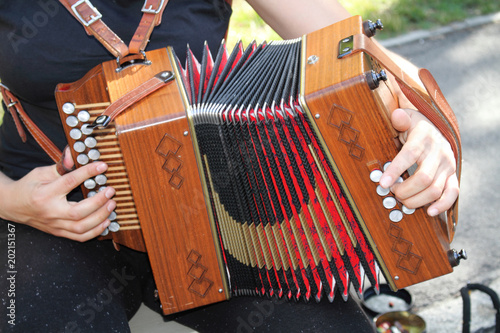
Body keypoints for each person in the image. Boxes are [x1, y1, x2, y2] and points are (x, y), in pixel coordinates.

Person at [0, 0, 459, 332]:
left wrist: (426, 121)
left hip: (221, 217)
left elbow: (356, 44)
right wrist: (16, 202)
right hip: (49, 218)